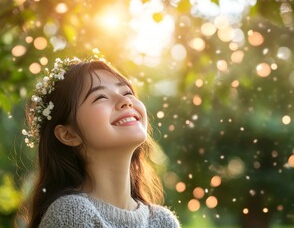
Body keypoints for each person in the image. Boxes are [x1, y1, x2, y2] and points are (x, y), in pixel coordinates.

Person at [22, 50, 180, 228]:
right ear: (69, 134)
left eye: (127, 92)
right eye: (100, 97)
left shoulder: (163, 221)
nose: (125, 101)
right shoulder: (72, 214)